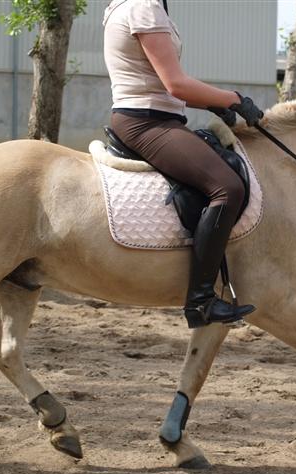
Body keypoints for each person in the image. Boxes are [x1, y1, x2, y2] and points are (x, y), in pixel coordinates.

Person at [103, 0, 263, 329]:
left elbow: (171, 87)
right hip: (146, 121)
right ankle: (201, 301)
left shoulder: (139, 7)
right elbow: (175, 84)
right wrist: (232, 98)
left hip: (158, 117)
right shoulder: (143, 8)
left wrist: (213, 103)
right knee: (227, 187)